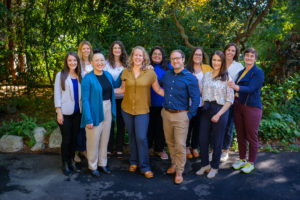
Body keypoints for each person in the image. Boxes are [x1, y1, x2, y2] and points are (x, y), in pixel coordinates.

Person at [115, 46, 164, 179]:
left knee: (141, 137)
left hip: (143, 110)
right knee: (131, 136)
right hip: (127, 109)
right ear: (132, 57)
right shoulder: (126, 71)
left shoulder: (150, 73)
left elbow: (158, 90)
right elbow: (122, 90)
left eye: (140, 55)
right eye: (135, 55)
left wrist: (174, 96)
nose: (137, 57)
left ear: (144, 58)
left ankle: (145, 166)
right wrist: (106, 90)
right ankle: (134, 161)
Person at [161, 49, 200, 184]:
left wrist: (189, 116)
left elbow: (195, 100)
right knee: (170, 142)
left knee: (180, 145)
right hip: (166, 113)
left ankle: (179, 171)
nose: (175, 61)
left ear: (183, 59)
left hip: (181, 116)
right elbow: (160, 87)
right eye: (172, 59)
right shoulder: (167, 75)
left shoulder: (190, 78)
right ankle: (173, 164)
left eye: (177, 58)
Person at [196, 50, 234, 179]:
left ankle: (215, 167)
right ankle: (205, 164)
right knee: (203, 138)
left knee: (217, 140)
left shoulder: (227, 77)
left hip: (221, 109)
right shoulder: (206, 75)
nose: (216, 62)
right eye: (214, 60)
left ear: (222, 62)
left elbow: (230, 100)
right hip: (206, 107)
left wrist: (219, 114)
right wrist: (197, 83)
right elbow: (203, 93)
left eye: (218, 60)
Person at [228, 48, 264, 173]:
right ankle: (242, 159)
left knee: (251, 136)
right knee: (240, 135)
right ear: (244, 58)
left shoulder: (258, 72)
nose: (249, 58)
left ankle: (251, 162)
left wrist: (235, 86)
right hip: (238, 105)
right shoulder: (241, 71)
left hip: (252, 107)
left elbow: (251, 88)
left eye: (252, 56)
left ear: (255, 58)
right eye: (247, 56)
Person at [80, 50, 116, 178]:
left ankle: (102, 163)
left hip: (108, 108)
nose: (100, 62)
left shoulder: (108, 75)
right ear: (91, 62)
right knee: (93, 140)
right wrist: (88, 118)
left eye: (102, 60)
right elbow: (85, 100)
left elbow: (116, 87)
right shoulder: (87, 78)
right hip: (94, 110)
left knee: (104, 139)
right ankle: (93, 165)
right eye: (97, 60)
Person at [54, 52, 82, 176]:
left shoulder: (81, 75)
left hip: (78, 112)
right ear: (66, 62)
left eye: (74, 60)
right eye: (70, 60)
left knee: (75, 139)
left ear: (77, 62)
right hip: (65, 112)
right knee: (67, 139)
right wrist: (58, 112)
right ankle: (64, 163)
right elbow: (57, 94)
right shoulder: (61, 75)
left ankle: (72, 161)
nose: (72, 63)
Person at [185, 47, 213, 159]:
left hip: (202, 103)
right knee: (188, 126)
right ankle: (186, 147)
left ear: (202, 57)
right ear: (192, 56)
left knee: (198, 127)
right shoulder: (186, 69)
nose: (198, 56)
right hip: (188, 103)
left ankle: (194, 147)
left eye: (200, 55)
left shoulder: (207, 68)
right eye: (196, 54)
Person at [220, 43, 244, 162]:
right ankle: (215, 149)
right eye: (228, 50)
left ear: (236, 53)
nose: (230, 52)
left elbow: (241, 83)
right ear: (225, 51)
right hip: (217, 98)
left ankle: (225, 150)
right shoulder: (219, 62)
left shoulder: (238, 66)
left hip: (230, 99)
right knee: (217, 124)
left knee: (228, 125)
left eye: (233, 51)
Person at [147, 46, 172, 160]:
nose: (157, 56)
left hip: (163, 102)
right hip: (148, 102)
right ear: (151, 55)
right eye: (154, 54)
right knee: (149, 127)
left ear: (163, 56)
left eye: (159, 54)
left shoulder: (168, 67)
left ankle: (159, 149)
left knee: (161, 128)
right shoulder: (146, 66)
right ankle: (147, 148)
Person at [105, 41, 128, 158]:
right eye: (115, 48)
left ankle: (119, 148)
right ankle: (109, 147)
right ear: (112, 50)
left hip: (123, 98)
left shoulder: (126, 64)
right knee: (109, 122)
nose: (117, 50)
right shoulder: (106, 63)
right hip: (109, 98)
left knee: (121, 123)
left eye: (119, 48)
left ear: (122, 50)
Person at [74, 40, 94, 163]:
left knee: (88, 124)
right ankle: (75, 151)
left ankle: (84, 150)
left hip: (92, 97)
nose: (86, 51)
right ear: (80, 50)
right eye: (84, 48)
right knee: (79, 125)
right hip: (80, 97)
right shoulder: (77, 63)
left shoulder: (93, 62)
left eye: (88, 48)